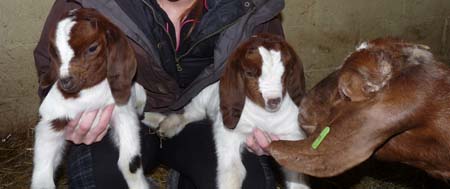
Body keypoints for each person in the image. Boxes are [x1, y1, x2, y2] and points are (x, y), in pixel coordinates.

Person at [34, 0, 285, 188]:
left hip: (207, 117)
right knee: (100, 178)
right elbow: (51, 65)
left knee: (247, 182)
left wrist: (268, 121)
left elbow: (277, 68)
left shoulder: (249, 4)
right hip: (121, 113)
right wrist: (69, 111)